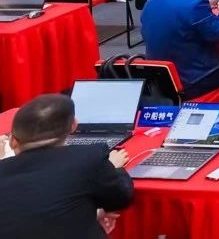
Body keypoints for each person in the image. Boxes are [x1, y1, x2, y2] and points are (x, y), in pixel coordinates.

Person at [0, 93, 135, 238]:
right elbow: (120, 198)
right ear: (73, 125)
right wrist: (113, 167)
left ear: (12, 140)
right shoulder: (88, 158)